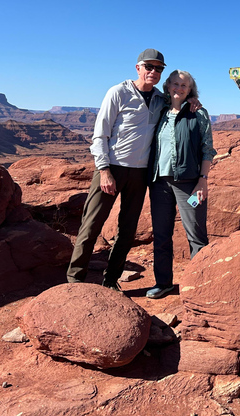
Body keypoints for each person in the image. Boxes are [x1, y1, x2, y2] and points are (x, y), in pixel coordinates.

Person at [65, 49, 169, 290]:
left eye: (159, 69)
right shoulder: (118, 92)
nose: (154, 72)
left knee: (127, 231)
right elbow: (100, 134)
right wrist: (104, 170)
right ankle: (74, 281)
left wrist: (194, 99)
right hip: (112, 168)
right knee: (91, 226)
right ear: (138, 68)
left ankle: (111, 281)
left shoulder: (160, 99)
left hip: (140, 173)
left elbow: (181, 100)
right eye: (149, 67)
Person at [146, 69, 216, 299]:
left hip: (189, 184)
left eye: (184, 85)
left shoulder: (198, 113)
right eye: (175, 84)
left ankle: (202, 285)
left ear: (190, 90)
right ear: (168, 86)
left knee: (196, 235)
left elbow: (207, 149)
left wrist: (202, 181)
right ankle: (163, 283)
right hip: (159, 184)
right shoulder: (160, 111)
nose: (179, 88)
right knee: (162, 235)